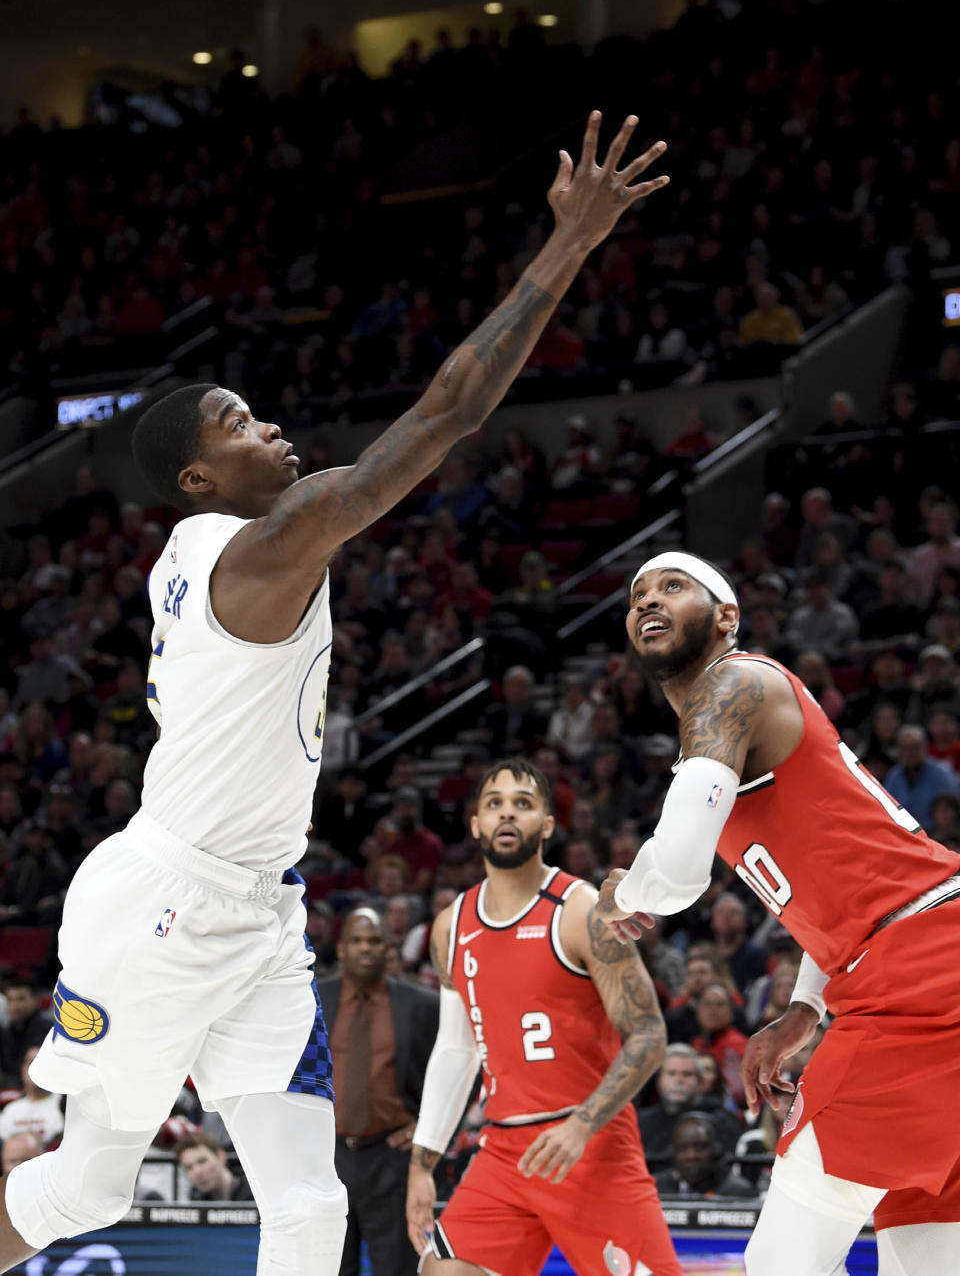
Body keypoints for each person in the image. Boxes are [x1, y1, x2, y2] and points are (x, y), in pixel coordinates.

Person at [0, 111, 670, 1276]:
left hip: (257, 914)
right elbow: (447, 417)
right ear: (202, 477)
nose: (274, 427)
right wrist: (568, 246)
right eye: (242, 423)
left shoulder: (206, 550)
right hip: (161, 912)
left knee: (311, 1206)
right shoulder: (257, 544)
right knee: (91, 1181)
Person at [596, 548, 960, 1274]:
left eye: (673, 585)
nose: (648, 601)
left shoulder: (731, 684)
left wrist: (621, 894)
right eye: (637, 595)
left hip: (920, 976)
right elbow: (854, 883)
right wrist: (806, 1008)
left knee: (783, 1261)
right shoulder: (738, 715)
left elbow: (674, 872)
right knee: (927, 1254)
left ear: (727, 616)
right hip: (909, 955)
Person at [405, 756, 682, 1276]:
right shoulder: (451, 925)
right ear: (476, 825)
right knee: (441, 1271)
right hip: (504, 1149)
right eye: (494, 804)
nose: (507, 815)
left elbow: (648, 1035)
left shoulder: (582, 912)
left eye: (523, 804)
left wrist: (581, 1126)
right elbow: (457, 1049)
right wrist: (423, 1162)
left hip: (592, 1144)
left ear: (547, 825)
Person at [317, 908, 439, 1276]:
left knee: (397, 1268)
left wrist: (429, 1126)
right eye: (356, 940)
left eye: (373, 940)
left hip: (392, 1158)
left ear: (389, 948)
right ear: (341, 949)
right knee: (329, 1268)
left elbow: (462, 1069)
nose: (365, 949)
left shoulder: (422, 1005)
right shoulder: (312, 998)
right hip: (327, 1157)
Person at [636, 1043, 743, 1171]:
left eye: (687, 1074)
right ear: (659, 1080)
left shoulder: (723, 1121)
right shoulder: (640, 1121)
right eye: (671, 1073)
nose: (679, 1080)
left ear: (700, 1082)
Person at [654, 1113, 753, 1198]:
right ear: (672, 1153)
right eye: (683, 1148)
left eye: (700, 1147)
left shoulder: (738, 1192)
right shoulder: (655, 1189)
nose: (691, 1156)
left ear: (717, 1150)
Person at [0, 1049, 63, 1147]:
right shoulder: (11, 1109)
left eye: (42, 1062)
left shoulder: (64, 1105)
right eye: (31, 1062)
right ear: (23, 1069)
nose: (36, 1068)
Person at [175, 1130, 252, 1201]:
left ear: (220, 1157)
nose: (197, 1172)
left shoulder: (254, 1193)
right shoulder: (196, 1199)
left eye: (202, 1161)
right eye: (189, 1168)